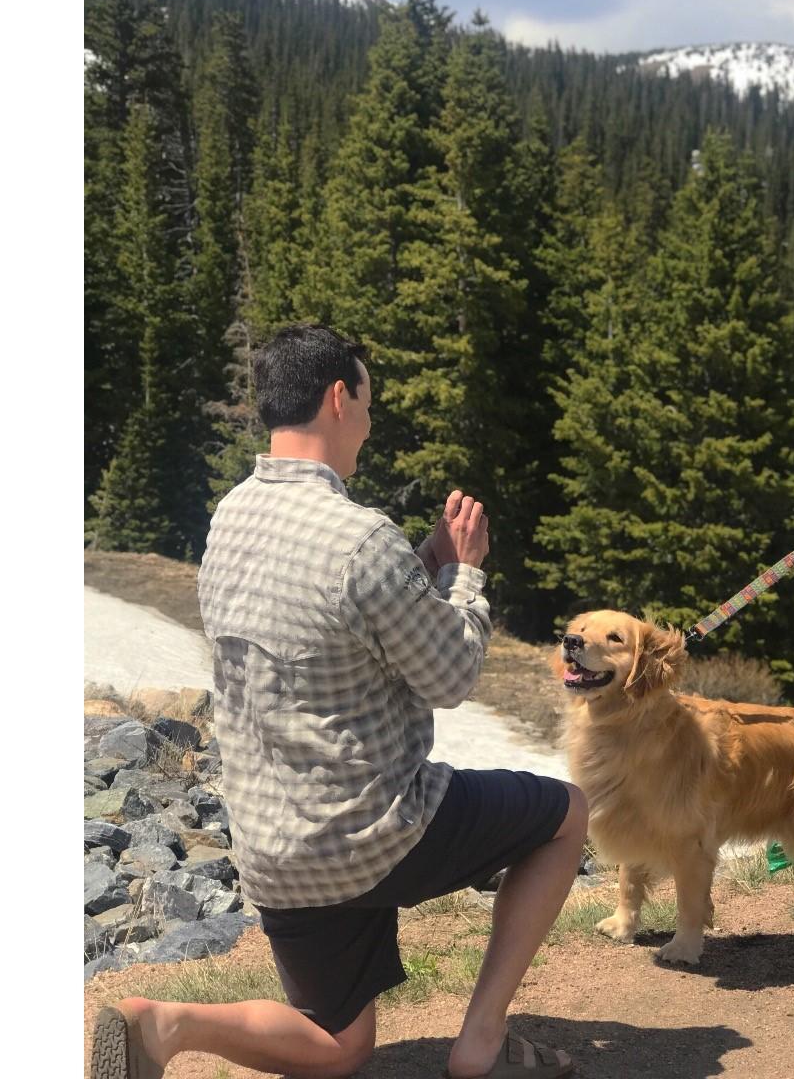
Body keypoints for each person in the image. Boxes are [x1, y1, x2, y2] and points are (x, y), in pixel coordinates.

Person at [90, 323, 584, 1079]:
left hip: (272, 845)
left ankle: (165, 1024)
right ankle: (482, 1041)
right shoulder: (358, 538)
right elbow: (449, 675)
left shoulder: (228, 518)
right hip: (370, 835)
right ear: (337, 398)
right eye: (368, 401)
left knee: (338, 1050)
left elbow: (337, 623)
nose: (370, 423)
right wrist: (465, 574)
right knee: (566, 816)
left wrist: (425, 561)